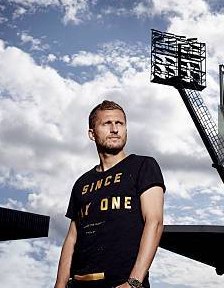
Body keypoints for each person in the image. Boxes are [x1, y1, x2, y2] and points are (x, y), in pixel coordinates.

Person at [54, 100, 165, 288]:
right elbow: (72, 236)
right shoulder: (82, 183)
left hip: (122, 282)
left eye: (120, 123)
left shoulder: (143, 166)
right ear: (92, 133)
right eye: (107, 124)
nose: (115, 129)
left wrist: (134, 282)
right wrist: (59, 284)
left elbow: (154, 222)